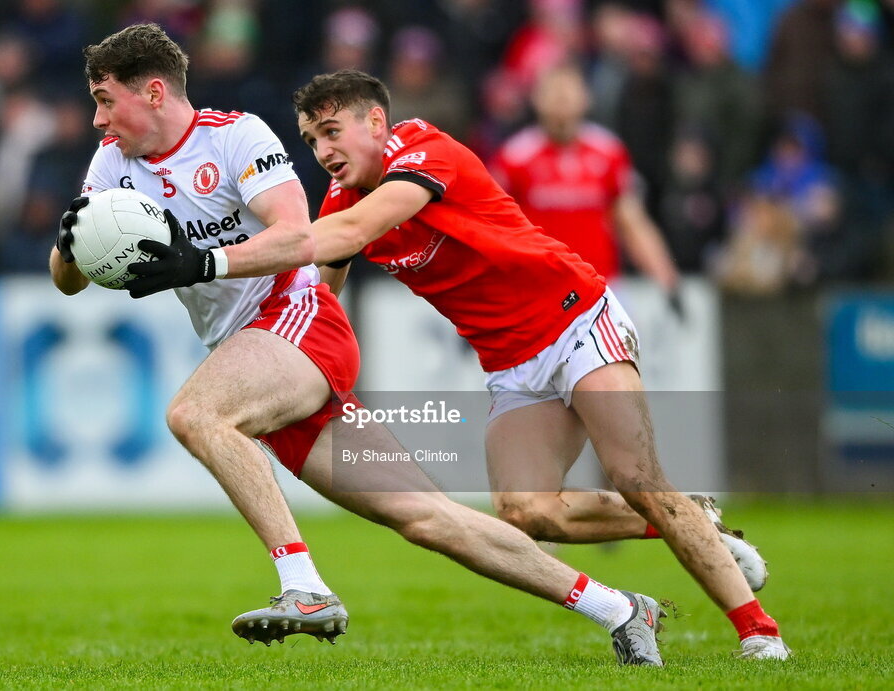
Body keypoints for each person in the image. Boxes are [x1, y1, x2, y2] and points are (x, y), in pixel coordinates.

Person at [50, 23, 670, 666]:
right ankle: (621, 608)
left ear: (152, 92)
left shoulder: (234, 136)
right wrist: (72, 244)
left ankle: (305, 589)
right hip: (250, 355)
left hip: (294, 318)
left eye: (104, 99)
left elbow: (297, 238)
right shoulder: (111, 163)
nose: (97, 118)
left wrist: (196, 263)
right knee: (427, 518)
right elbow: (66, 281)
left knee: (196, 413)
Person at [292, 69, 790, 660]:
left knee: (638, 480)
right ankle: (693, 520)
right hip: (511, 364)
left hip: (575, 319)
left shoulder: (422, 146)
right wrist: (292, 352)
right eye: (311, 141)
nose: (323, 151)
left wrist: (220, 261)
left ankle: (760, 635)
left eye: (331, 131)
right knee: (526, 511)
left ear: (376, 122)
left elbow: (350, 231)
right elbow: (320, 293)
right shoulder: (342, 202)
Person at [491, 62, 680, 302]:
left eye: (569, 90)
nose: (561, 99)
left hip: (602, 290)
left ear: (586, 98)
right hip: (539, 292)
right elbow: (493, 227)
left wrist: (667, 277)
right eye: (553, 91)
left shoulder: (608, 152)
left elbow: (633, 221)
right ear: (536, 99)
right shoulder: (514, 157)